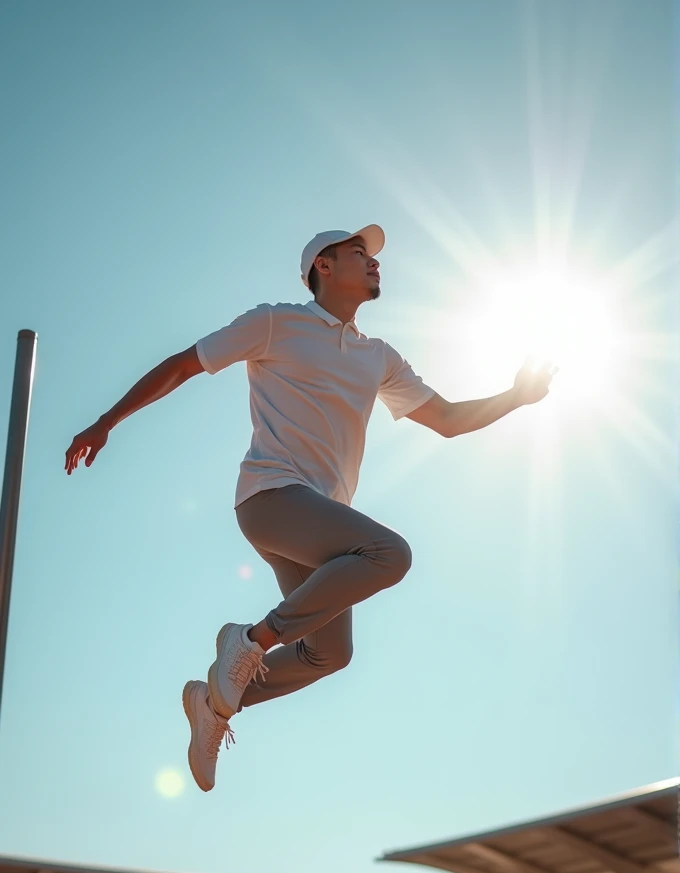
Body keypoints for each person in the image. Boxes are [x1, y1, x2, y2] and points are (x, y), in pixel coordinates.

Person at [65, 224, 555, 792]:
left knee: (330, 654)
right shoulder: (276, 322)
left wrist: (516, 397)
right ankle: (248, 642)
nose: (374, 263)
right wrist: (106, 422)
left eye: (373, 256)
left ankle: (214, 706)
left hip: (319, 525)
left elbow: (446, 421)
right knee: (388, 553)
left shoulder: (379, 357)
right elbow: (183, 363)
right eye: (359, 253)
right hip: (271, 499)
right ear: (322, 266)